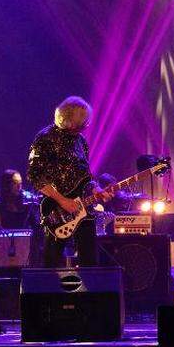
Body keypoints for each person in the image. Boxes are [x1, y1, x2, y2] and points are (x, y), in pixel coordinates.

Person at [27, 96, 113, 268]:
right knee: (52, 260)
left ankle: (89, 293)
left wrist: (96, 189)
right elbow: (35, 175)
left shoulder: (81, 141)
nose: (84, 126)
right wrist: (62, 200)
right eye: (81, 122)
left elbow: (86, 176)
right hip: (55, 209)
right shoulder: (46, 137)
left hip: (83, 208)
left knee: (89, 260)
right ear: (68, 120)